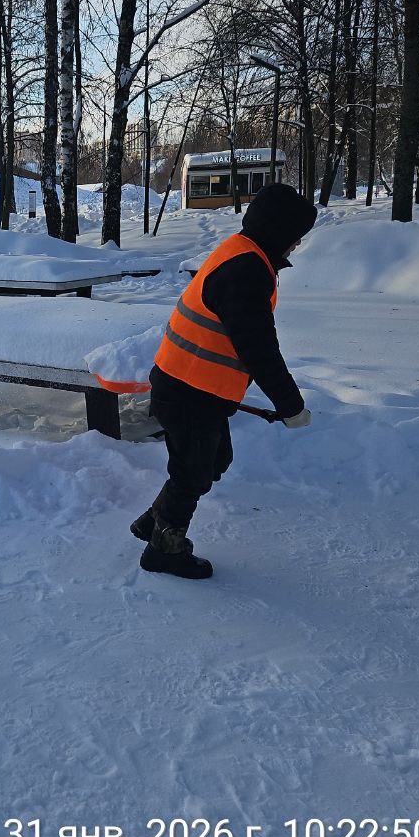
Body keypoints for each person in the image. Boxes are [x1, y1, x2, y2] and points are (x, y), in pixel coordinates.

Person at [131, 182, 318, 579]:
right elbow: (258, 349)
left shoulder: (243, 252)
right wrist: (290, 405)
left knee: (212, 461)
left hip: (191, 386)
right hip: (189, 390)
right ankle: (164, 548)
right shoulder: (247, 271)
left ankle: (155, 520)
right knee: (192, 472)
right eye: (296, 236)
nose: (297, 244)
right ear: (279, 231)